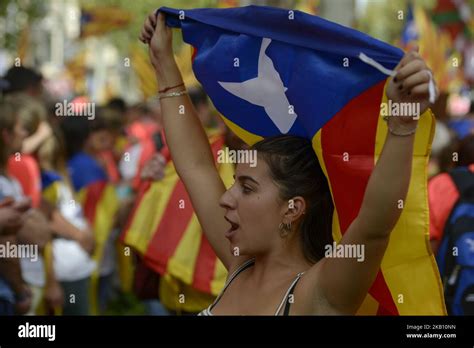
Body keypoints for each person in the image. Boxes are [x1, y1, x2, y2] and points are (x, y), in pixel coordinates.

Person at [140, 12, 438, 315]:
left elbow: (375, 225)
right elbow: (196, 166)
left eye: (246, 187)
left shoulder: (321, 292)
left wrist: (402, 124)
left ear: (292, 209)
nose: (225, 198)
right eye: (234, 183)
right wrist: (163, 64)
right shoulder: (239, 266)